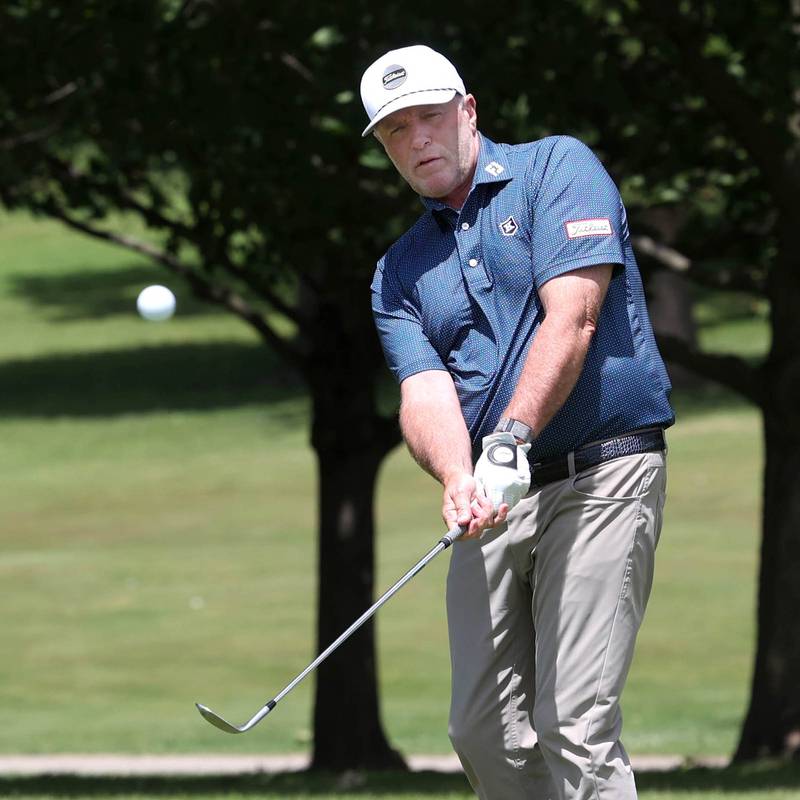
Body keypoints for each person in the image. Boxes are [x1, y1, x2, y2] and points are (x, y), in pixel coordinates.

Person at [359, 44, 674, 800]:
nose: (416, 141)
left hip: (604, 468)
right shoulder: (397, 272)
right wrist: (457, 473)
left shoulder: (556, 170)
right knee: (483, 730)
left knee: (574, 718)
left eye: (429, 118)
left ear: (468, 111)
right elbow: (425, 392)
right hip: (497, 494)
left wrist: (509, 437)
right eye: (395, 131)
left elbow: (574, 317)